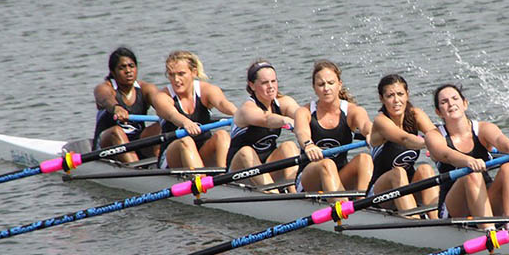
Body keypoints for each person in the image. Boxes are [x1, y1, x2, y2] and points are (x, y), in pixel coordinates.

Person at [425, 84, 509, 231]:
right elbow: (446, 154)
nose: (451, 103)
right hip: (455, 207)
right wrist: (468, 161)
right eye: (444, 102)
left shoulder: (483, 129)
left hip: (484, 199)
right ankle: (489, 232)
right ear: (438, 112)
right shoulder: (434, 136)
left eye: (454, 98)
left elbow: (499, 140)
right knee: (471, 174)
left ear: (464, 104)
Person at [294, 60, 372, 199]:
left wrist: (371, 133)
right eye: (321, 84)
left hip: (339, 174)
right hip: (309, 179)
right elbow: (302, 132)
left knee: (364, 159)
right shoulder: (304, 112)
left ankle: (363, 206)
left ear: (339, 84)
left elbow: (365, 124)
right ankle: (343, 209)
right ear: (314, 87)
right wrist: (309, 145)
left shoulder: (352, 111)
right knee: (327, 164)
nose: (326, 88)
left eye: (331, 83)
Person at [368, 74, 438, 219]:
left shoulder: (416, 114)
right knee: (398, 172)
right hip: (381, 192)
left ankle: (437, 220)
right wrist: (430, 143)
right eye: (390, 96)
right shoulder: (381, 121)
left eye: (400, 94)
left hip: (407, 185)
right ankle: (416, 224)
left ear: (407, 95)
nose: (396, 100)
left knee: (426, 169)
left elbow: (435, 135)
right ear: (382, 99)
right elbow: (405, 139)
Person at [152, 50, 238, 169]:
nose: (176, 80)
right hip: (173, 157)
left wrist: (238, 114)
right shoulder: (162, 97)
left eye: (181, 74)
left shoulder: (206, 90)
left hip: (201, 151)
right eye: (171, 75)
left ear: (194, 72)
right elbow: (172, 115)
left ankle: (225, 178)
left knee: (222, 135)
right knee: (186, 141)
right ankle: (201, 181)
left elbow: (222, 103)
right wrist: (186, 122)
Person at [227, 61, 299, 193]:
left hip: (266, 166)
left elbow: (303, 115)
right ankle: (275, 197)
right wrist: (285, 120)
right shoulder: (247, 109)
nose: (271, 87)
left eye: (273, 81)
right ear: (252, 85)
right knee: (246, 152)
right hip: (239, 171)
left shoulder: (284, 102)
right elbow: (266, 119)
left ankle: (295, 193)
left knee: (289, 146)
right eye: (265, 83)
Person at [92, 47, 161, 163]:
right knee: (116, 131)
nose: (128, 71)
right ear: (113, 72)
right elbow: (105, 98)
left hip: (136, 142)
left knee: (161, 125)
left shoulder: (146, 89)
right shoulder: (104, 88)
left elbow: (161, 102)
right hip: (107, 145)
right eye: (122, 67)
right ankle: (136, 170)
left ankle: (162, 164)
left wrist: (171, 114)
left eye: (131, 66)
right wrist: (116, 108)